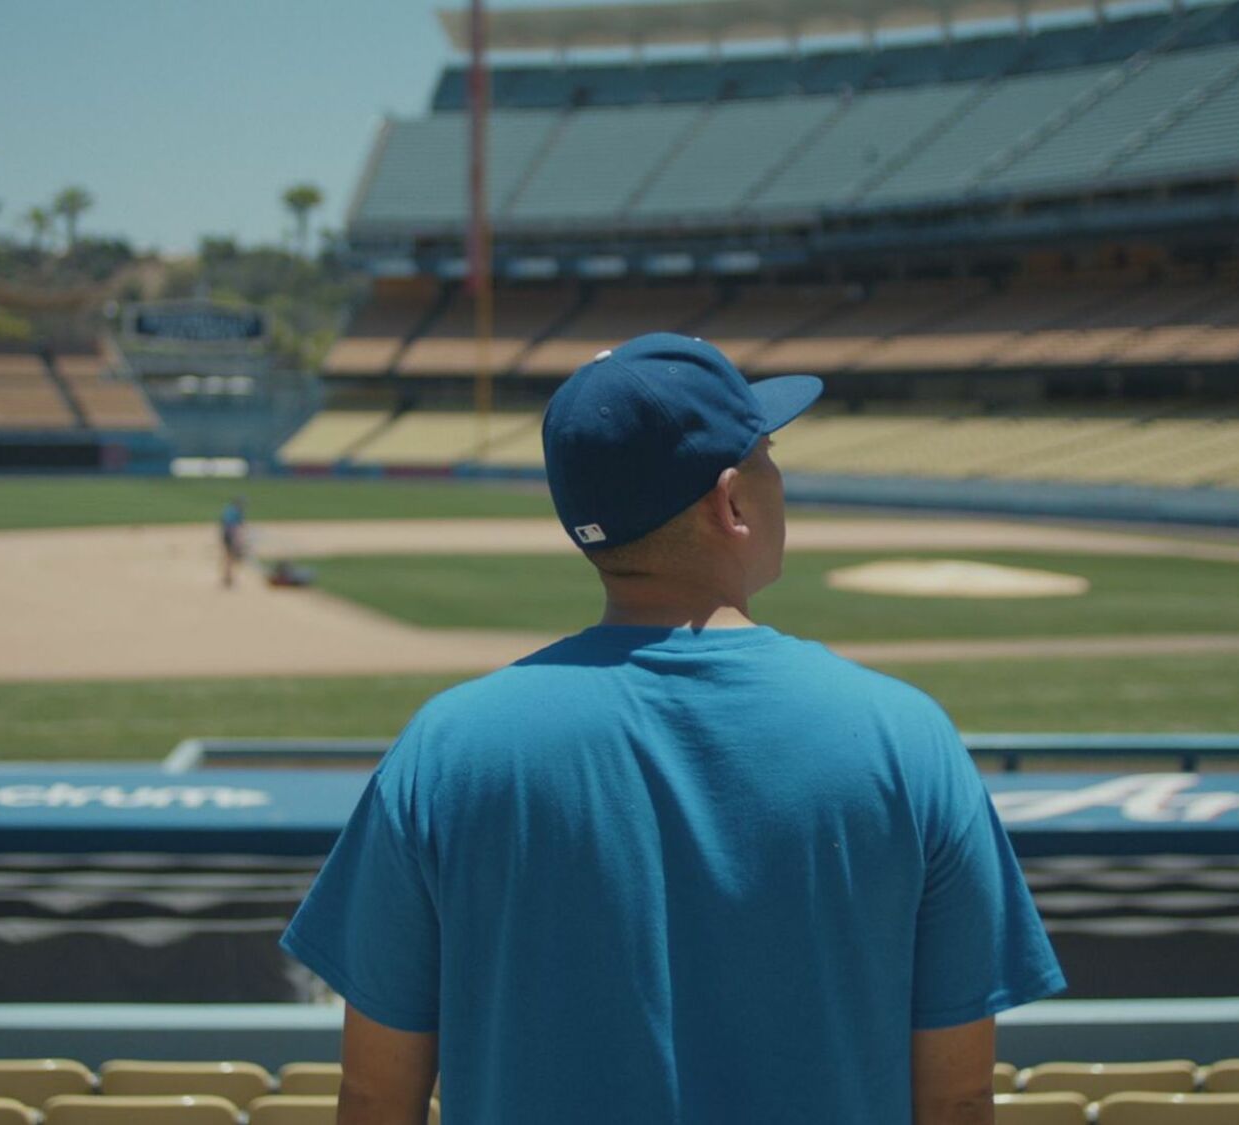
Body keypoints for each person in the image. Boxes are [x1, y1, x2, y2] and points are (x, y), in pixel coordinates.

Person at [281, 333, 1064, 1125]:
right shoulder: (905, 738)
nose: (781, 478)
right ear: (731, 501)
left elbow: (378, 1094)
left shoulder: (444, 749)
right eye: (769, 453)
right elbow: (959, 1097)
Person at [219, 496, 247, 588]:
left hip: (225, 535)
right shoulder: (237, 512)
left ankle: (227, 577)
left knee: (228, 556)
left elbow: (223, 522)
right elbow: (236, 527)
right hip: (231, 535)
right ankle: (229, 578)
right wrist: (238, 541)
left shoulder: (228, 510)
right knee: (232, 557)